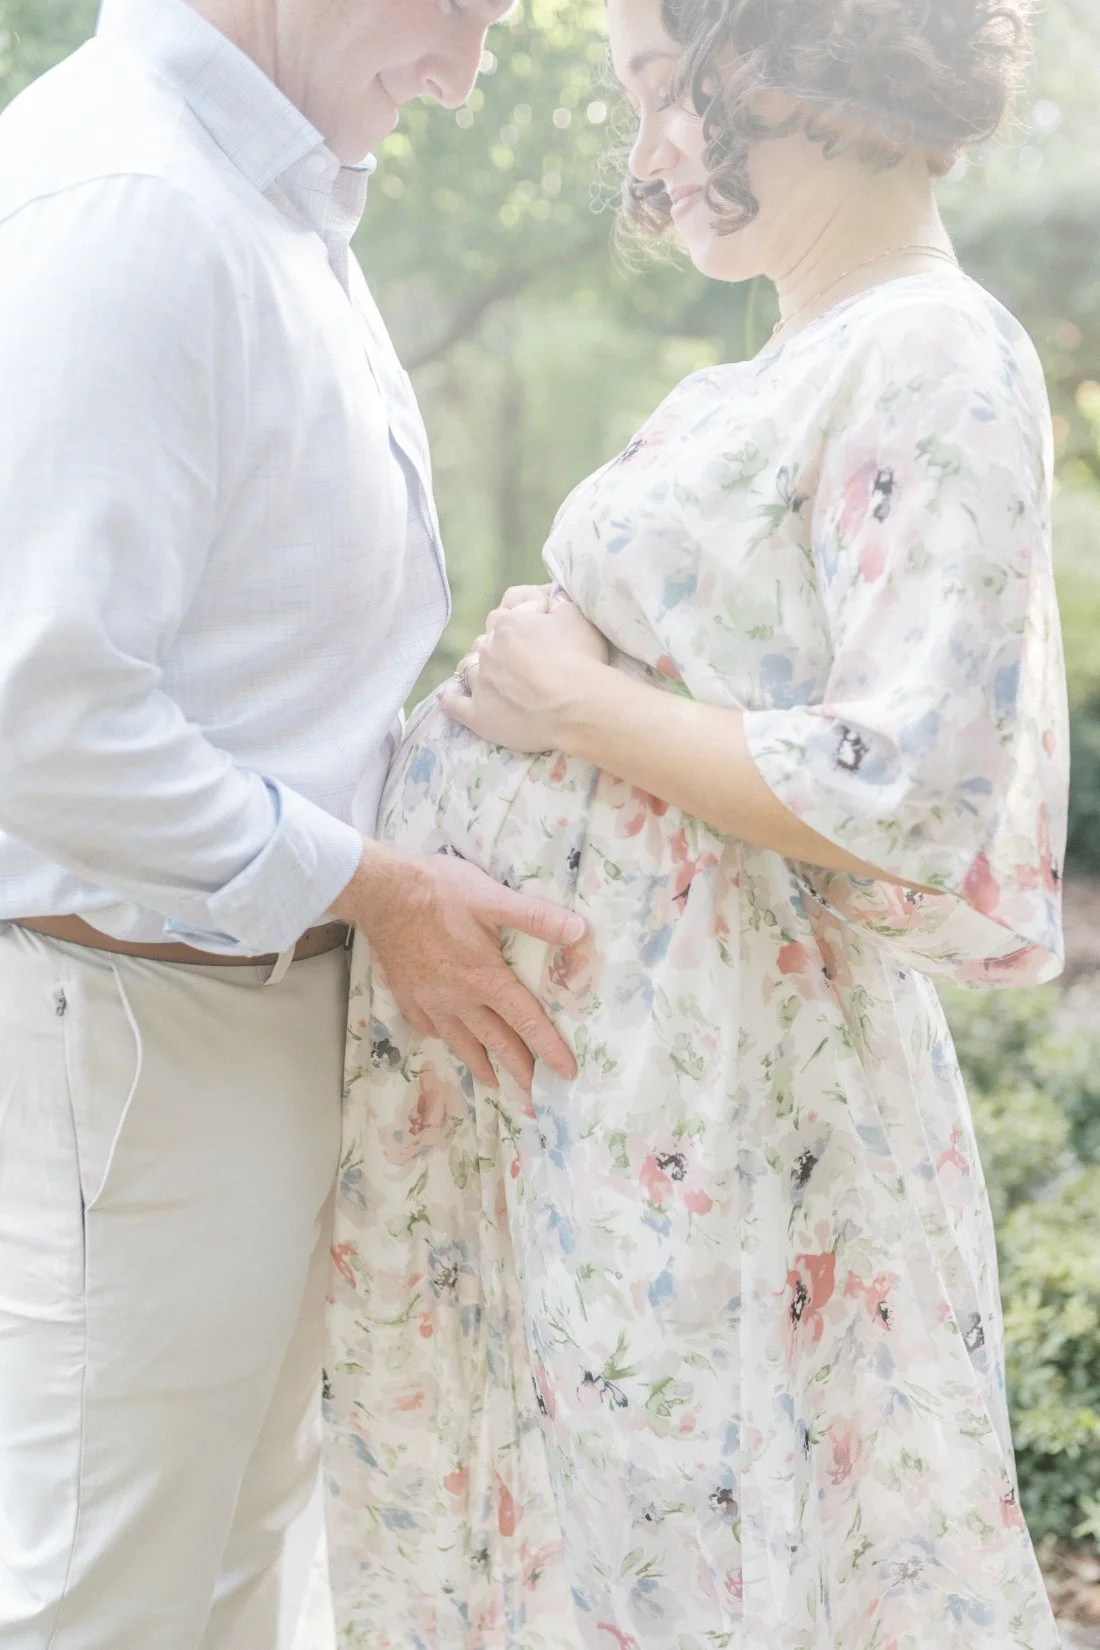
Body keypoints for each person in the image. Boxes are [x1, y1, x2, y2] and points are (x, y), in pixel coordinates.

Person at [323, 0, 1069, 1644]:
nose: (651, 157)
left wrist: (581, 704)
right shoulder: (795, 355)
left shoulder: (936, 347)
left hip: (729, 1099)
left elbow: (906, 786)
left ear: (800, 64)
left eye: (668, 94)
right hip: (622, 1092)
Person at [0, 0, 588, 1644]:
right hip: (136, 1034)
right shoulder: (128, 208)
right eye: (459, 6)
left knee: (239, 1581)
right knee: (97, 1601)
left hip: (247, 1021)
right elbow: (37, 716)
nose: (472, 68)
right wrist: (379, 885)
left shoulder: (260, 198)